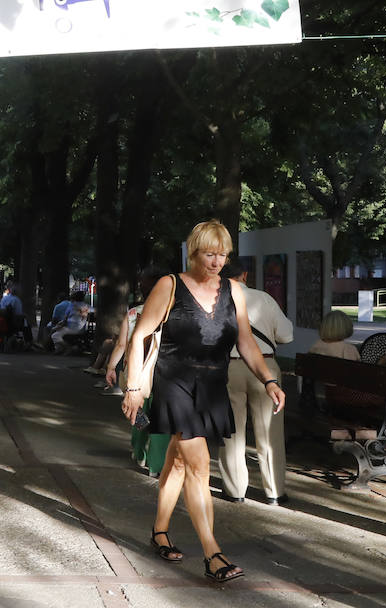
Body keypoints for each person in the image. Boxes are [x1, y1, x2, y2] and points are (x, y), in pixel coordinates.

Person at [121, 220, 284, 584]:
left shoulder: (233, 291)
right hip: (175, 382)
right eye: (210, 254)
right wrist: (133, 387)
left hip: (212, 386)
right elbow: (140, 335)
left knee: (178, 463)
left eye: (222, 254)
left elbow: (245, 341)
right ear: (194, 252)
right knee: (198, 464)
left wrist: (269, 379)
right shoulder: (170, 285)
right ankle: (212, 553)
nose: (216, 261)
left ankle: (159, 531)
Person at [218, 260, 294, 505]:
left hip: (228, 366)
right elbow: (286, 335)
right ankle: (274, 491)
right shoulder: (264, 299)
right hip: (264, 366)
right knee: (269, 431)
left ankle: (234, 489)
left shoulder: (215, 300)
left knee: (232, 431)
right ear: (245, 275)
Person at [105, 270, 172, 477]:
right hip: (163, 373)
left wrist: (110, 367)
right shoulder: (172, 313)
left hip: (137, 373)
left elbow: (121, 344)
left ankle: (139, 450)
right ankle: (156, 465)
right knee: (161, 418)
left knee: (139, 413)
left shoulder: (133, 313)